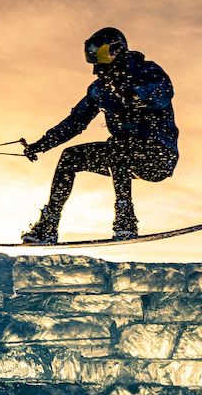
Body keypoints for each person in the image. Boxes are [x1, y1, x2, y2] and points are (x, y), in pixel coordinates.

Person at [21, 27, 178, 243]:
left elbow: (161, 95)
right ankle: (48, 226)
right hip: (122, 158)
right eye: (92, 60)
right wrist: (41, 145)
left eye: (100, 57)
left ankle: (125, 219)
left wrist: (131, 92)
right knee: (70, 157)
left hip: (158, 157)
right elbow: (76, 122)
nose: (96, 68)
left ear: (116, 51)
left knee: (119, 144)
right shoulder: (100, 89)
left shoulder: (147, 72)